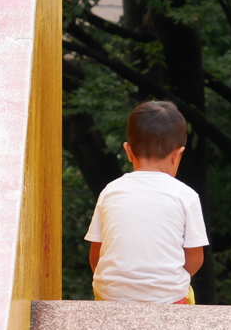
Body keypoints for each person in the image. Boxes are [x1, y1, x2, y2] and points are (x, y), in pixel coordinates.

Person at [85, 100, 209, 304]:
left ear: (128, 151)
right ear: (178, 155)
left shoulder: (110, 191)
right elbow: (195, 259)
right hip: (168, 300)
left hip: (110, 299)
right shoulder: (185, 195)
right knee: (187, 292)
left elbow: (96, 257)